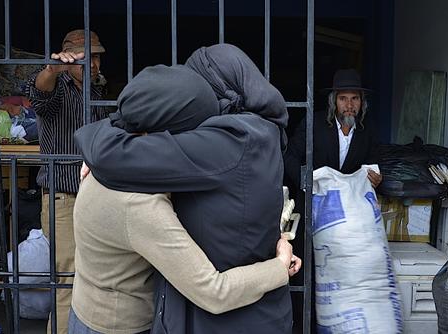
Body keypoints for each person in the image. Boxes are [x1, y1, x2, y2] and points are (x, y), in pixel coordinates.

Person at [74, 43, 293, 334]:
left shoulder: (227, 140)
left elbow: (109, 153)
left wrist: (105, 138)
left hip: (225, 316)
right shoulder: (263, 130)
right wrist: (280, 265)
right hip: (119, 322)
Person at [25, 29, 110, 333]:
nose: (94, 63)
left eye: (97, 56)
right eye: (87, 57)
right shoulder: (58, 87)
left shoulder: (95, 90)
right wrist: (52, 69)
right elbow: (39, 93)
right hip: (63, 197)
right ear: (70, 59)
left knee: (89, 278)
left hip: (91, 195)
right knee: (66, 281)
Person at [284, 68, 382, 197]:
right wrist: (306, 182)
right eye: (343, 99)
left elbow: (372, 164)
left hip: (349, 205)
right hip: (314, 201)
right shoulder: (314, 123)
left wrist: (376, 178)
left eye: (354, 98)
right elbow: (290, 155)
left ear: (362, 102)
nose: (349, 105)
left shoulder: (368, 129)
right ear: (333, 101)